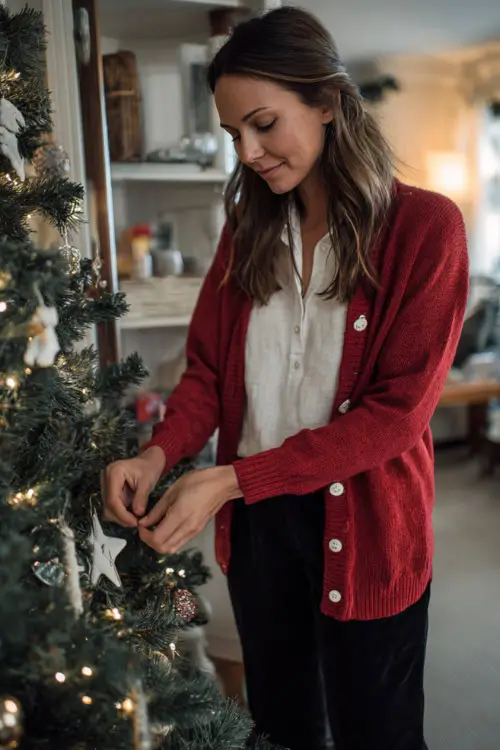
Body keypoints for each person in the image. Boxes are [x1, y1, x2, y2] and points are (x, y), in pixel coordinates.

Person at [102, 7, 468, 750]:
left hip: (370, 533)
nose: (249, 151)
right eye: (236, 134)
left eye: (264, 124)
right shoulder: (249, 233)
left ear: (328, 101)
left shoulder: (426, 230)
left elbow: (396, 415)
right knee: (282, 728)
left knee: (380, 733)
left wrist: (231, 479)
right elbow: (206, 369)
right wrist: (157, 454)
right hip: (262, 532)